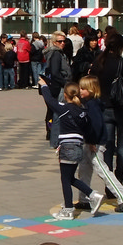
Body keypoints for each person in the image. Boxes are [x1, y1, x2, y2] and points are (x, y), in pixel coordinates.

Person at [37, 78, 97, 219]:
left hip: (67, 148)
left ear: (65, 95)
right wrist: (91, 142)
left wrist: (44, 86)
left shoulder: (64, 109)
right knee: (69, 178)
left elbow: (50, 101)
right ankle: (91, 195)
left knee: (65, 179)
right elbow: (89, 129)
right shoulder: (82, 111)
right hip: (78, 147)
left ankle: (70, 209)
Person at [73, 75, 123, 213]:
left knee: (102, 170)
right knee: (84, 170)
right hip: (88, 142)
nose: (80, 91)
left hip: (95, 143)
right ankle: (84, 199)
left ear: (91, 90)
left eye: (83, 89)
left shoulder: (93, 105)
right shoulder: (88, 103)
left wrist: (92, 141)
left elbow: (96, 125)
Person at [93, 33, 123, 187]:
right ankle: (119, 175)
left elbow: (91, 82)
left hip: (103, 107)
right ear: (120, 47)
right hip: (122, 108)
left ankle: (110, 180)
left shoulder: (99, 62)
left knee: (107, 145)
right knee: (122, 144)